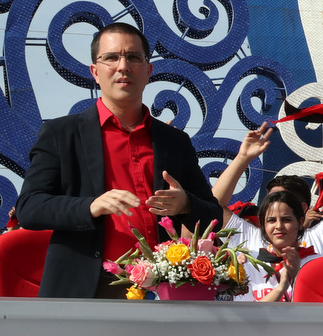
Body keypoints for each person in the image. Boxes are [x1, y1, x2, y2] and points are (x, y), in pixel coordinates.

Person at [15, 23, 223, 298]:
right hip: (86, 288)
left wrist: (185, 204)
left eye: (133, 57)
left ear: (148, 71)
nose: (123, 66)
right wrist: (90, 206)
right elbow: (29, 208)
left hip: (161, 287)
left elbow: (214, 216)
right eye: (111, 58)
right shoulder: (61, 134)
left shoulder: (174, 141)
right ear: (95, 72)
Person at [212, 117, 323, 301]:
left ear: (300, 220)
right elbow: (213, 205)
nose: (278, 226)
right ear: (263, 223)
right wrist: (243, 158)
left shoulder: (321, 238)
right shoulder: (248, 239)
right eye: (271, 220)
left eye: (287, 219)